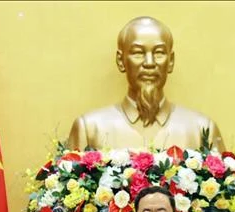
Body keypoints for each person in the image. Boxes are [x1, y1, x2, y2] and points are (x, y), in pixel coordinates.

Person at [68, 16, 225, 152]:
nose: (149, 63)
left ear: (171, 62)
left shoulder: (201, 130)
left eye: (159, 53)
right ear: (121, 61)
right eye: (138, 53)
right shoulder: (89, 128)